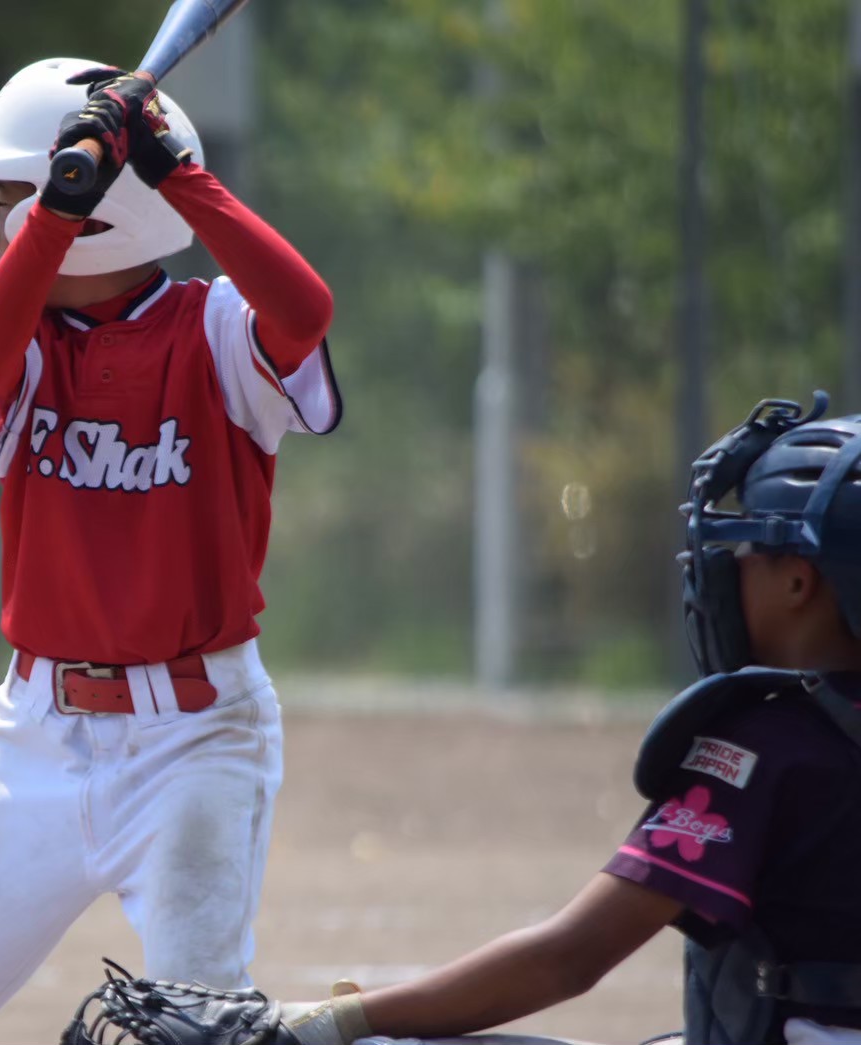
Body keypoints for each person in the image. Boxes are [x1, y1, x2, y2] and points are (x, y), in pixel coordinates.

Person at [0, 57, 340, 1043]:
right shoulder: (23, 343)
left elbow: (304, 309)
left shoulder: (217, 331)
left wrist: (176, 176)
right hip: (38, 737)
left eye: (3, 202)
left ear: (107, 211)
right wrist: (57, 212)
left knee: (193, 1027)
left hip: (197, 738)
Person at [260, 394, 861, 1045]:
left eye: (746, 546)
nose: (728, 563)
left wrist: (336, 1021)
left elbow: (568, 958)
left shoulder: (761, 747)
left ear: (798, 582)